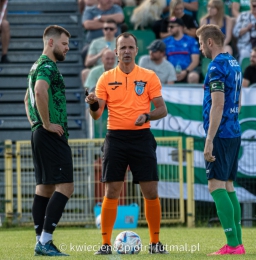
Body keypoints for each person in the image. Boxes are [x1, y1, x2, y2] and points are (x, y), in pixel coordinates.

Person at [85, 32, 168, 255]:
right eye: (123, 48)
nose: (127, 51)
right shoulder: (105, 78)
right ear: (116, 51)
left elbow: (162, 109)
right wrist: (93, 104)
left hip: (142, 138)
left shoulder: (149, 76)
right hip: (116, 138)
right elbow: (96, 114)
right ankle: (105, 244)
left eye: (131, 47)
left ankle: (155, 243)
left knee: (150, 191)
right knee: (111, 191)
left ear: (136, 50)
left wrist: (147, 116)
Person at [24, 25, 74, 257]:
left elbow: (27, 99)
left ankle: (39, 241)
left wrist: (35, 123)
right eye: (64, 44)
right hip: (51, 133)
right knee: (66, 186)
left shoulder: (35, 65)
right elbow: (39, 90)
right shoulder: (47, 66)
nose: (67, 48)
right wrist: (45, 123)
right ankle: (45, 241)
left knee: (44, 188)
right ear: (51, 43)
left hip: (39, 133)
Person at [196, 24, 245, 256]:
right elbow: (239, 99)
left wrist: (209, 139)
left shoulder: (216, 67)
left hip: (221, 134)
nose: (199, 49)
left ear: (209, 42)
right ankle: (238, 243)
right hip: (234, 131)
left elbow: (218, 104)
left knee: (215, 185)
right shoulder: (234, 63)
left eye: (200, 43)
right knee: (228, 186)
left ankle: (233, 244)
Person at [163, 17, 200, 83]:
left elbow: (195, 61)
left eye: (171, 27)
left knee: (193, 76)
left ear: (180, 27)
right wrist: (171, 72)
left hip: (188, 71)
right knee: (167, 77)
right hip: (171, 72)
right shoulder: (165, 42)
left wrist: (186, 71)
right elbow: (163, 60)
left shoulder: (191, 40)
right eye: (168, 26)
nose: (169, 29)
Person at [81, 19, 118, 85]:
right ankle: (90, 94)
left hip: (116, 70)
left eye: (111, 29)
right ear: (103, 30)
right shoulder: (95, 42)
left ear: (115, 30)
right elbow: (87, 63)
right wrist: (99, 55)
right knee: (85, 72)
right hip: (99, 70)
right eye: (106, 28)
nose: (108, 31)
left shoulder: (120, 43)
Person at [233, 0, 256, 64]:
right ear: (250, 5)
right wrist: (247, 28)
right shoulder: (243, 16)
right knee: (244, 54)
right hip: (246, 46)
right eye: (254, 6)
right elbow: (235, 33)